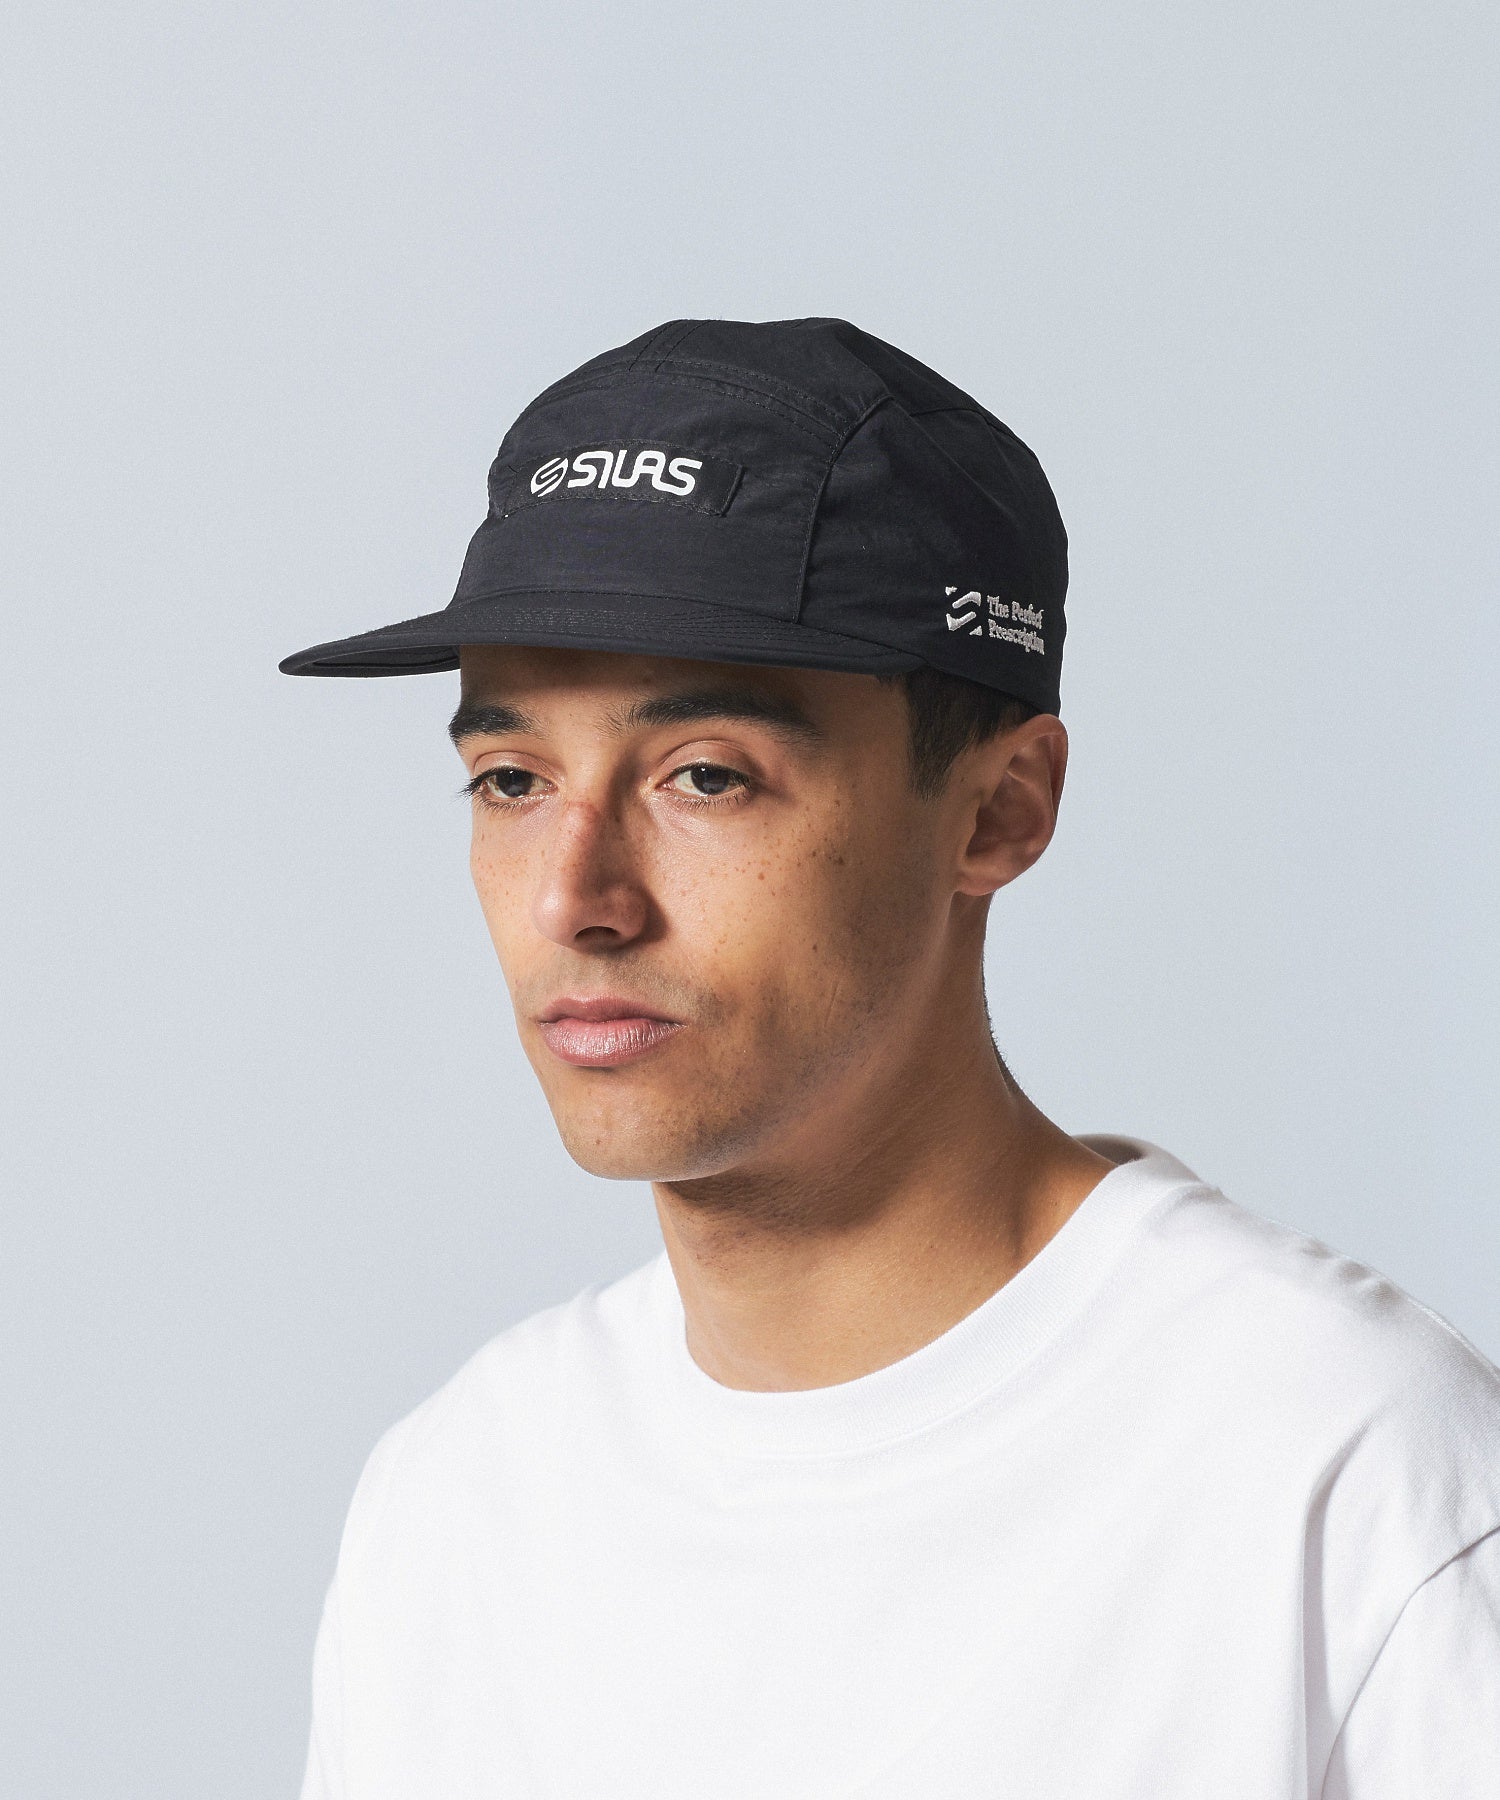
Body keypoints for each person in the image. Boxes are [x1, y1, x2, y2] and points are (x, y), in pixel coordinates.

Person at [280, 317, 1500, 1798]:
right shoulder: (456, 1500)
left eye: (705, 777)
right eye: (512, 780)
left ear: (999, 811)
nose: (574, 898)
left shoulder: (1351, 1474)